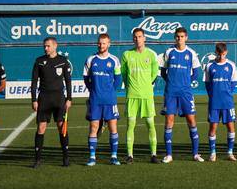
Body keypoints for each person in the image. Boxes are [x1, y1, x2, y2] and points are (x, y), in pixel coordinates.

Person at [160, 27, 203, 163]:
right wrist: (171, 82)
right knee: (169, 121)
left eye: (182, 36)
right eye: (178, 36)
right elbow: (163, 72)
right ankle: (169, 155)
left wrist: (186, 84)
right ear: (175, 37)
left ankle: (195, 154)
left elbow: (196, 73)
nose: (180, 39)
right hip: (171, 92)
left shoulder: (191, 53)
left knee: (191, 120)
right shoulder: (169, 52)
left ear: (186, 37)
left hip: (186, 93)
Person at [31, 37, 72, 168]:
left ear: (55, 46)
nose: (45, 48)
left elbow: (68, 81)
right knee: (41, 128)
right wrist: (34, 99)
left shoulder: (63, 61)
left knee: (61, 127)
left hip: (59, 99)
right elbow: (34, 82)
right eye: (44, 46)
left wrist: (69, 98)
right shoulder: (39, 61)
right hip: (44, 99)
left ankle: (66, 157)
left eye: (48, 46)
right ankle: (37, 159)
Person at [121, 28, 159, 164]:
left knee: (150, 124)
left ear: (144, 38)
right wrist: (130, 86)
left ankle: (153, 155)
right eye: (135, 37)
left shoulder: (151, 55)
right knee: (130, 125)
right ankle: (130, 155)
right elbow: (124, 74)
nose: (138, 39)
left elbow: (154, 74)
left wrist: (146, 85)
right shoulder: (126, 55)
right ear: (133, 39)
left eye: (140, 36)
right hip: (132, 95)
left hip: (147, 95)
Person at [83, 33, 122, 166]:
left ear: (109, 44)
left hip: (110, 100)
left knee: (113, 127)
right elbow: (86, 79)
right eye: (99, 43)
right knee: (94, 127)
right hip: (95, 100)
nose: (101, 45)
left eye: (104, 43)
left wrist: (110, 91)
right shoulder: (91, 60)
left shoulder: (114, 60)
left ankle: (114, 156)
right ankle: (92, 157)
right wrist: (93, 90)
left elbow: (118, 79)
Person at [204, 42, 237, 162]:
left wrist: (228, 92)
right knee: (213, 127)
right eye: (219, 54)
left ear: (226, 52)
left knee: (231, 126)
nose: (221, 57)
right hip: (214, 102)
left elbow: (234, 82)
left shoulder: (231, 65)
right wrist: (212, 95)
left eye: (223, 54)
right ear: (216, 53)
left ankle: (230, 152)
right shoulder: (210, 66)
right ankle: (213, 153)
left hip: (227, 102)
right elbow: (207, 84)